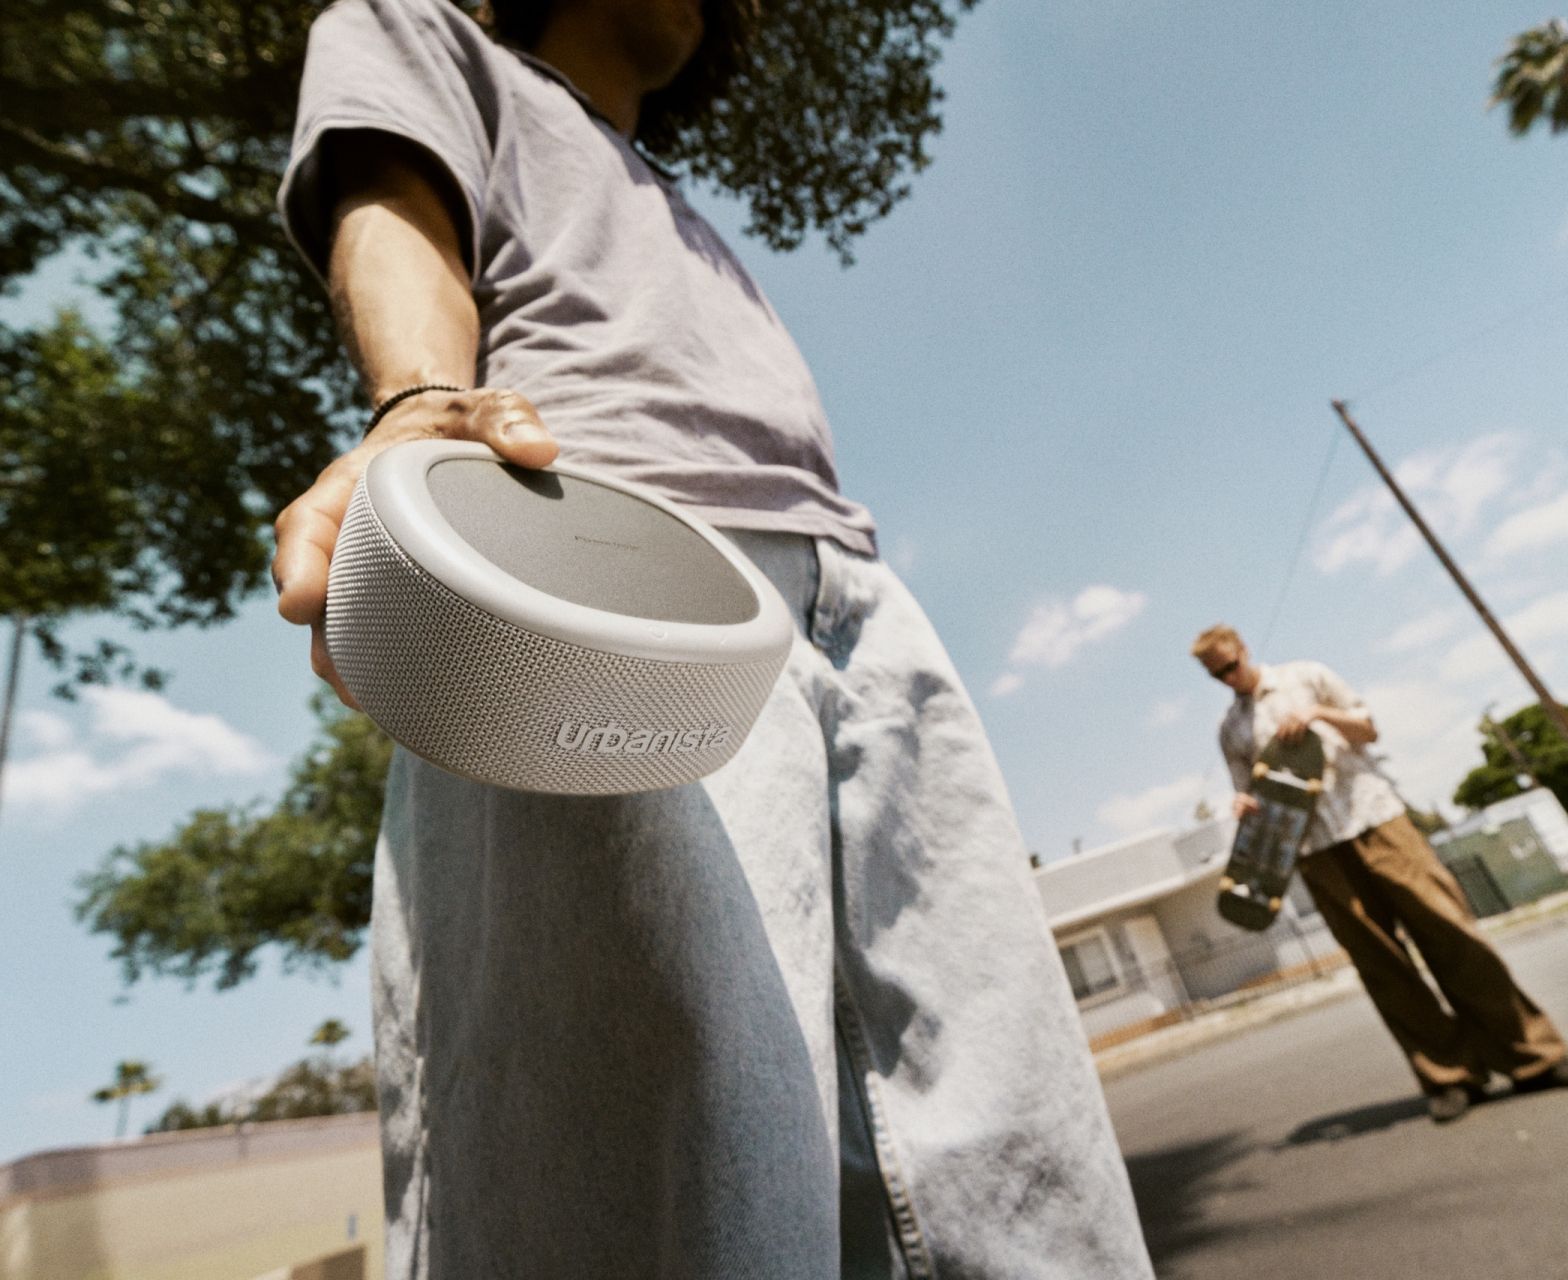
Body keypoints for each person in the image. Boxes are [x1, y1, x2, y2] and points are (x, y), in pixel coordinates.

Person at [270, 1, 1154, 1274]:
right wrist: (420, 401)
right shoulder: (421, 32)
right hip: (596, 580)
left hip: (858, 601)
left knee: (1018, 1166)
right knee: (664, 1193)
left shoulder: (669, 199)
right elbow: (392, 210)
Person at [1191, 624, 1568, 1124]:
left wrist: (1319, 714)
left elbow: (1368, 729)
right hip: (1316, 849)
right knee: (1381, 963)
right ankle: (1450, 1077)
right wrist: (1243, 804)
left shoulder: (1306, 676)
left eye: (1230, 665)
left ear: (1243, 649)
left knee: (1450, 930)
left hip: (1375, 819)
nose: (1228, 678)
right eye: (1217, 675)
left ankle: (1533, 1058)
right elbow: (1256, 793)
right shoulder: (1231, 729)